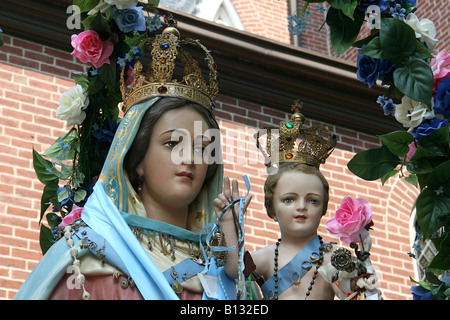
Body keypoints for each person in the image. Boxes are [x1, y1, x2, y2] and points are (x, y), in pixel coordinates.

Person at [14, 21, 247, 300]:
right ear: (137, 159)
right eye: (172, 143)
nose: (189, 158)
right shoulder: (83, 260)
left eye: (201, 148)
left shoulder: (225, 271)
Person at [227, 102, 382, 300]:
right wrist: (230, 227)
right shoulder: (266, 258)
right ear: (271, 209)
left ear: (324, 208)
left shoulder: (334, 258)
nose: (301, 206)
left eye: (313, 201)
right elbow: (230, 275)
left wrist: (366, 282)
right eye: (289, 199)